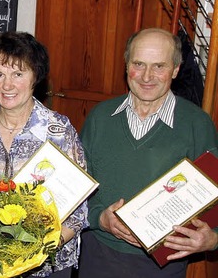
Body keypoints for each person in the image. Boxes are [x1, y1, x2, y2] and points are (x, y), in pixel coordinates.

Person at [78, 28, 218, 278]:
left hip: (161, 266)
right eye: (138, 64)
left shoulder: (197, 123)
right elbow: (77, 190)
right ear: (126, 65)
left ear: (175, 70)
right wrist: (101, 219)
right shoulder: (100, 117)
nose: (146, 76)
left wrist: (213, 239)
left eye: (159, 66)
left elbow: (214, 197)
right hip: (98, 255)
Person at [0, 32, 87, 277]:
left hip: (46, 267)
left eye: (18, 74)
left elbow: (78, 211)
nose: (7, 85)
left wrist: (34, 251)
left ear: (35, 76)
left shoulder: (58, 132)